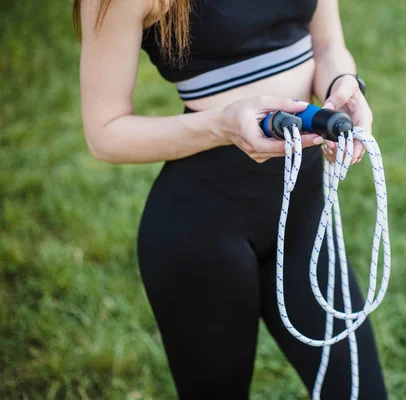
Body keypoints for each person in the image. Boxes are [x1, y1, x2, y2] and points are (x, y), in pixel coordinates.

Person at [75, 0, 387, 398]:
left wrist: (343, 85)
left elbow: (327, 46)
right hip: (203, 231)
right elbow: (104, 132)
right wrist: (222, 126)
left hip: (307, 216)